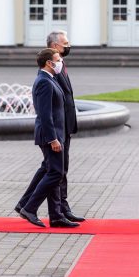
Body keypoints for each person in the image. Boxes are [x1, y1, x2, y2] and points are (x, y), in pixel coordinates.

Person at [15, 31, 85, 225]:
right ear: (53, 49)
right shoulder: (47, 79)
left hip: (63, 128)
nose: (68, 47)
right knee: (55, 172)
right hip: (54, 133)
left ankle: (55, 212)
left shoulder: (52, 75)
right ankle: (33, 208)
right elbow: (45, 113)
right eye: (65, 44)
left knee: (52, 170)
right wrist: (54, 137)